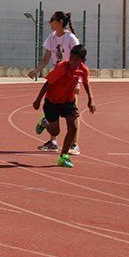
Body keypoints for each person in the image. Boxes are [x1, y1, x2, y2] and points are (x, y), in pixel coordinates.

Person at [32, 44, 95, 168]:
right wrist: (38, 100)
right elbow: (48, 83)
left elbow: (86, 82)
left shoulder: (83, 70)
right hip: (52, 102)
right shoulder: (62, 67)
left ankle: (63, 156)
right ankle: (45, 123)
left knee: (74, 127)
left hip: (68, 102)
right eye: (71, 57)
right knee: (56, 131)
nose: (72, 61)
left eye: (75, 59)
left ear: (83, 61)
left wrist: (90, 99)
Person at [27, 11, 81, 154]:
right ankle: (53, 141)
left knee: (73, 113)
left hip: (70, 78)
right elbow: (46, 58)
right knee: (53, 108)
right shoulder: (51, 37)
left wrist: (78, 82)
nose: (50, 22)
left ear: (60, 22)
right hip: (56, 77)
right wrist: (36, 70)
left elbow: (79, 59)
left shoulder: (70, 38)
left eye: (52, 20)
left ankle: (74, 144)